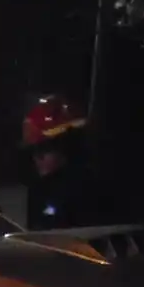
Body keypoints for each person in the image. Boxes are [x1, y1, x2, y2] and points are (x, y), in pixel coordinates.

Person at [21, 94, 95, 229]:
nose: (37, 159)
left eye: (44, 150)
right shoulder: (41, 188)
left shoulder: (82, 191)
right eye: (34, 152)